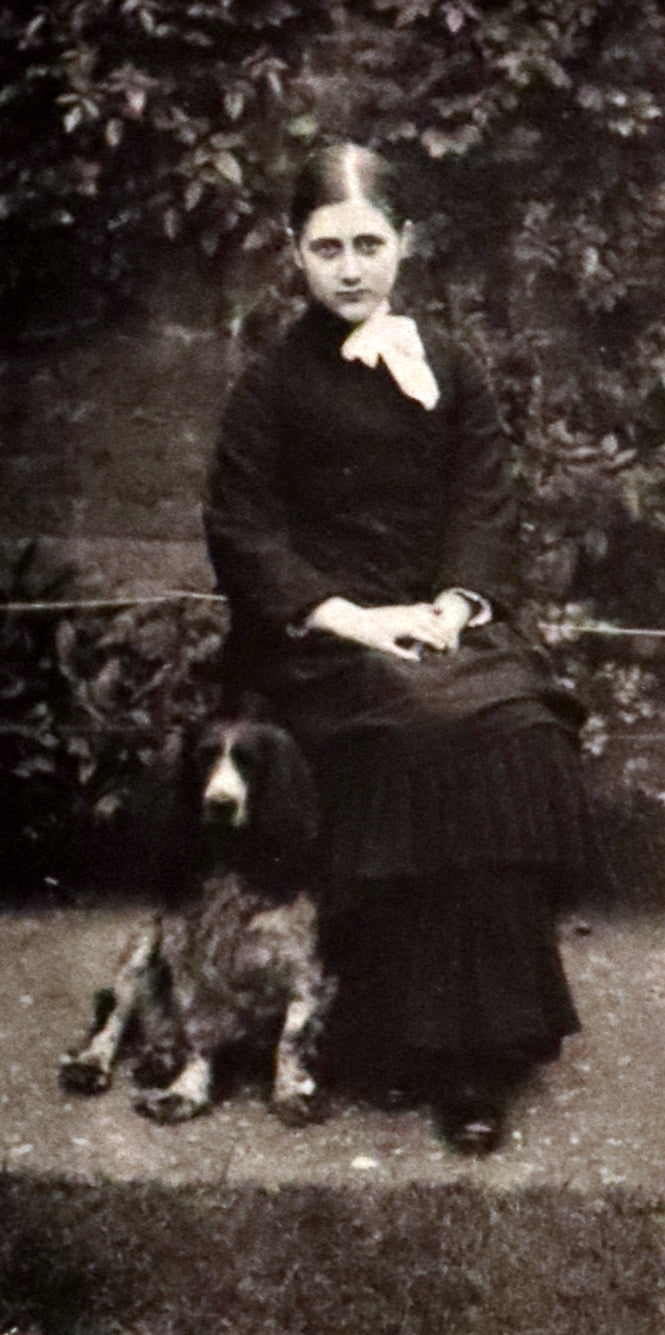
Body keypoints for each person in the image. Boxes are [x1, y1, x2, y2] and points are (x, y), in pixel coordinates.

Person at [204, 142, 594, 1153]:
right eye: (324, 246)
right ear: (293, 254)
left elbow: (485, 502)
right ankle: (399, 1042)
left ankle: (481, 1054)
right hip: (322, 640)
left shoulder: (449, 370)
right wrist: (358, 619)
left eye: (367, 243)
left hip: (440, 622)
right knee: (428, 728)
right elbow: (245, 535)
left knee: (513, 726)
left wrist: (456, 608)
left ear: (404, 245)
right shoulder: (269, 388)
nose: (348, 267)